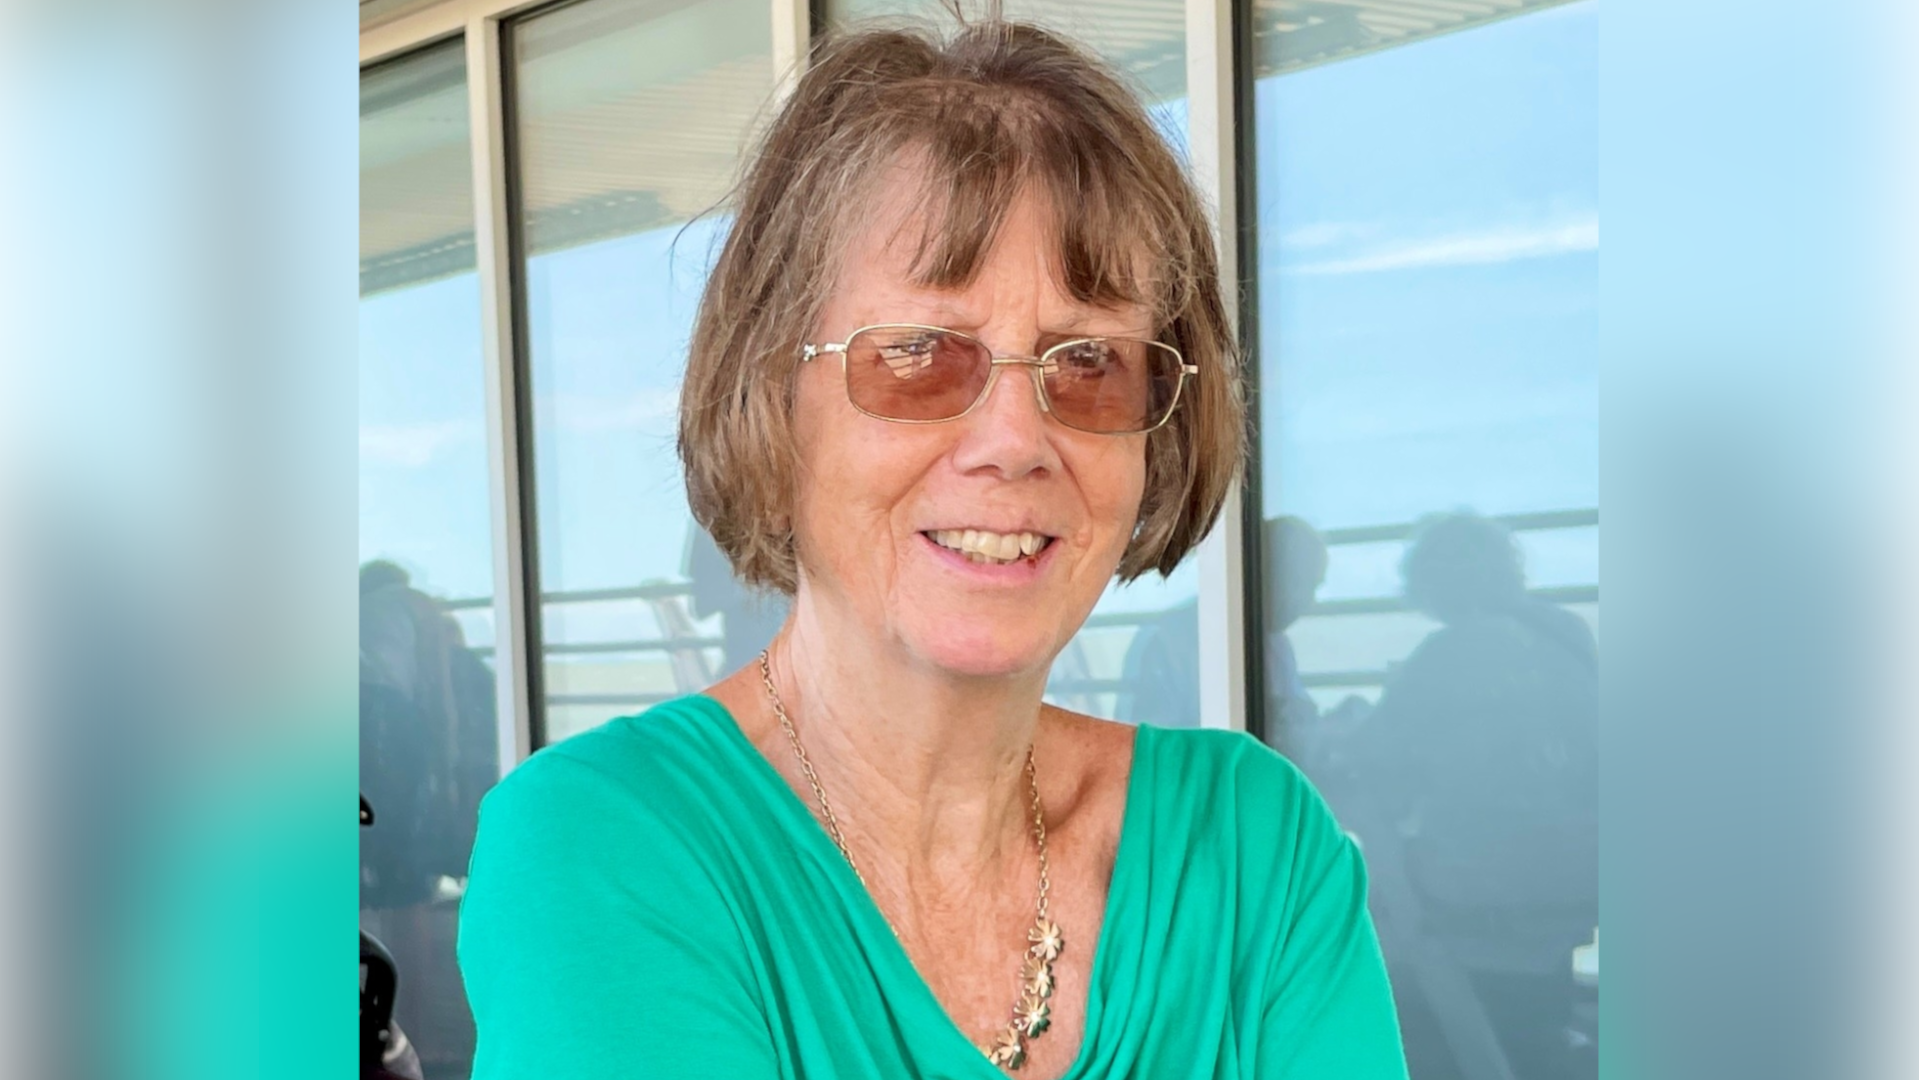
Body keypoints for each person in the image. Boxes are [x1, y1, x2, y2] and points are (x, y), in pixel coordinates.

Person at [458, 19, 1408, 1080]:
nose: (1015, 442)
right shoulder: (604, 845)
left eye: (1089, 361)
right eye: (917, 355)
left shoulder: (1253, 850)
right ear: (773, 392)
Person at [1343, 511, 1598, 1080]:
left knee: (1364, 910)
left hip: (1482, 890)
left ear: (1431, 582)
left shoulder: (1451, 653)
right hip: (1573, 880)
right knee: (1531, 1017)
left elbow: (1371, 758)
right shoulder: (1566, 634)